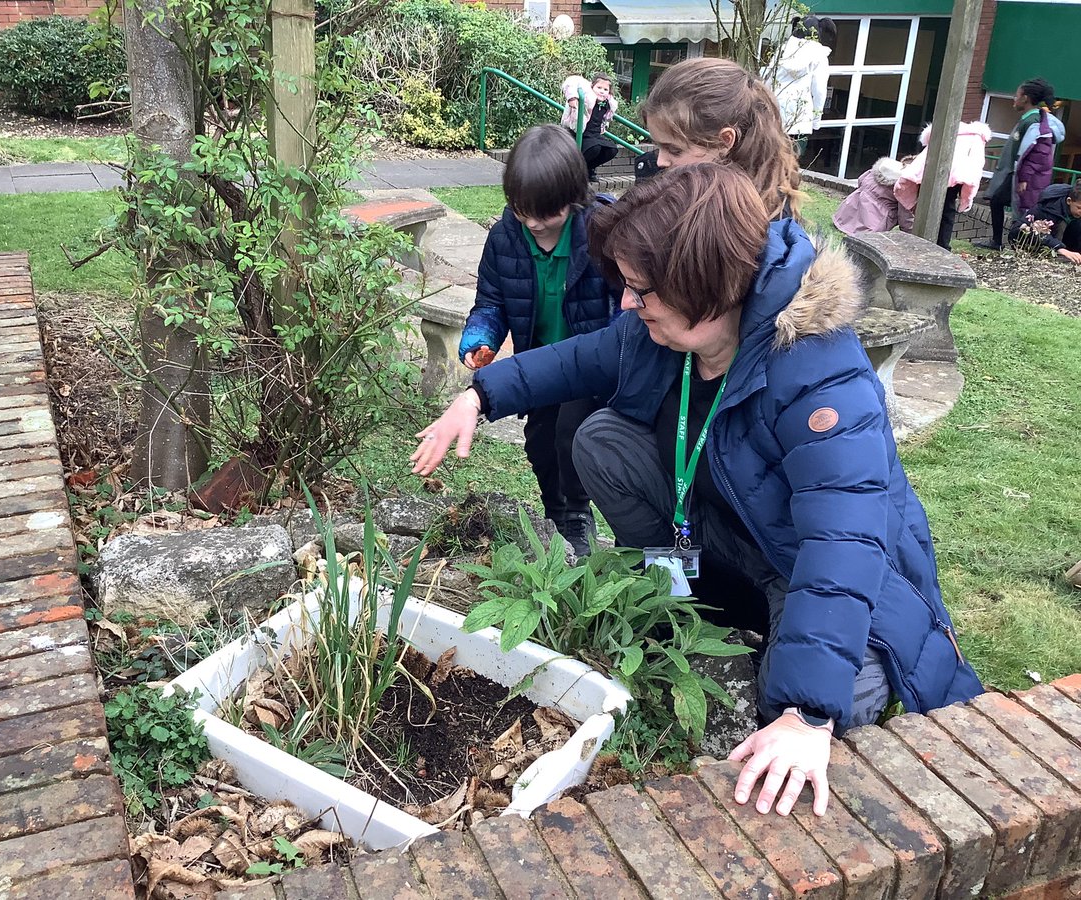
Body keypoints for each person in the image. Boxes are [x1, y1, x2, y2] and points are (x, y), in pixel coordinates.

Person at [411, 163, 983, 818]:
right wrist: (479, 397)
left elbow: (841, 545)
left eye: (641, 289)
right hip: (724, 535)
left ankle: (792, 662)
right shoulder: (669, 331)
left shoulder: (821, 377)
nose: (627, 303)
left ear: (705, 288)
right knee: (602, 439)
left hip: (816, 576)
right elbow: (576, 359)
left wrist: (805, 714)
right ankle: (686, 594)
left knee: (812, 709)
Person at [456, 124, 618, 556]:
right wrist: (479, 338)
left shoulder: (603, 232)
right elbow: (490, 303)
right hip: (538, 367)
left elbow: (627, 306)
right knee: (541, 446)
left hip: (591, 366)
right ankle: (559, 519)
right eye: (522, 211)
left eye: (545, 215)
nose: (533, 224)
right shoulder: (505, 237)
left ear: (573, 199)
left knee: (572, 436)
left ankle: (581, 517)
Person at [640, 57, 802, 220]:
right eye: (657, 146)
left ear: (725, 140)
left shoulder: (752, 224)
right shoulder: (672, 185)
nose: (660, 161)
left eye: (675, 150)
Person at [973, 78, 1066, 250]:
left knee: (1021, 210)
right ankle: (1001, 242)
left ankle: (1016, 244)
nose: (1014, 99)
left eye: (1017, 95)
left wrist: (1024, 177)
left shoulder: (1032, 122)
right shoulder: (1029, 119)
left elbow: (1036, 153)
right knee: (999, 202)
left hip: (1023, 177)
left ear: (1026, 98)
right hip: (1017, 174)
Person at [893, 121, 991, 249]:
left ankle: (920, 240)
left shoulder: (940, 133)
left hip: (930, 173)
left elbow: (923, 159)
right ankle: (943, 245)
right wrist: (966, 198)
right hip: (957, 177)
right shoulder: (976, 138)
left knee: (924, 206)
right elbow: (975, 169)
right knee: (947, 210)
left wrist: (912, 177)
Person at [765, 14, 836, 156]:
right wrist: (816, 120)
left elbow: (767, 79)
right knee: (790, 158)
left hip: (772, 110)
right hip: (799, 115)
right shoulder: (819, 55)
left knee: (768, 154)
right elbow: (820, 90)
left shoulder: (782, 50)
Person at [562, 72, 620, 182]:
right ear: (592, 86)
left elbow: (606, 118)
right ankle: (573, 170)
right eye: (599, 87)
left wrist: (604, 126)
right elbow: (571, 81)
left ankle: (588, 169)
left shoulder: (608, 103)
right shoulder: (586, 96)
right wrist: (572, 98)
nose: (602, 91)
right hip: (580, 133)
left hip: (595, 135)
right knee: (594, 148)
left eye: (605, 89)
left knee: (611, 149)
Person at [833, 156, 912, 236]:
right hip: (872, 222)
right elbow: (905, 218)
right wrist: (912, 234)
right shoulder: (906, 185)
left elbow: (861, 179)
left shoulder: (883, 167)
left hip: (844, 215)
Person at [1009, 181, 1081, 264]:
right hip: (1031, 242)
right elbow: (1039, 234)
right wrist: (1060, 248)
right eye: (1079, 208)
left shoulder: (1073, 212)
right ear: (1069, 201)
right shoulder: (1049, 209)